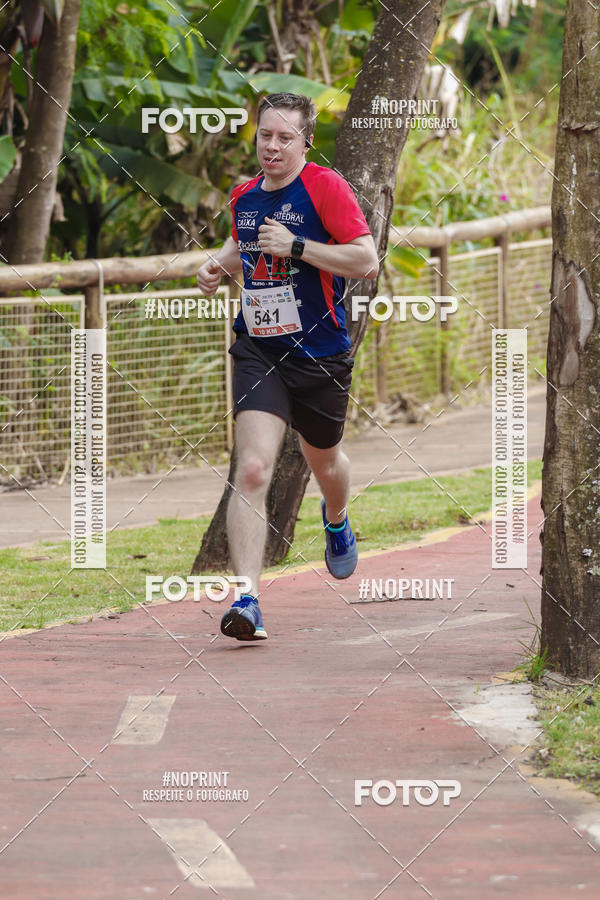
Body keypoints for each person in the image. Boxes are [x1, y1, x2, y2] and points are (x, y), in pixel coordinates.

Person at [196, 92, 378, 642]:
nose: (272, 147)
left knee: (325, 461)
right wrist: (215, 265)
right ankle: (247, 601)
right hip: (259, 348)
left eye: (284, 137)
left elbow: (365, 259)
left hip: (319, 353)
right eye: (265, 136)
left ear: (305, 141)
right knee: (252, 469)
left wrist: (298, 246)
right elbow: (240, 243)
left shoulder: (325, 187)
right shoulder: (245, 195)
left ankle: (337, 518)